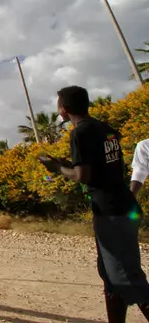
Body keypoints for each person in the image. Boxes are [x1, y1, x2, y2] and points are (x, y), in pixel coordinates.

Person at [40, 86, 149, 322]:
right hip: (124, 205)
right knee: (111, 275)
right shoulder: (105, 129)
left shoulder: (80, 132)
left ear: (64, 109)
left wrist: (57, 168)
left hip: (111, 214)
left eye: (59, 105)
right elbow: (105, 167)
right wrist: (69, 163)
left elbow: (83, 176)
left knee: (126, 278)